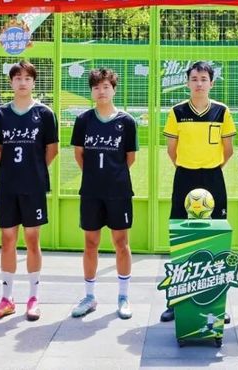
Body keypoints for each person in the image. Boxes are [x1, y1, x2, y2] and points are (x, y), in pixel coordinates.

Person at [160, 60, 236, 323]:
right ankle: (177, 300)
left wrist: (210, 169)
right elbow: (172, 150)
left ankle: (215, 301)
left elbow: (228, 150)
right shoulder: (177, 112)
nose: (199, 84)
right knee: (182, 235)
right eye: (194, 79)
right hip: (185, 177)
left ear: (212, 83)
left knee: (215, 236)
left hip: (213, 177)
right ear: (187, 83)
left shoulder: (222, 111)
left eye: (204, 79)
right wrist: (189, 168)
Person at [0, 61, 59, 322]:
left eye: (27, 78)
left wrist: (33, 168)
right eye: (18, 78)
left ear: (34, 82)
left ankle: (33, 297)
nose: (23, 82)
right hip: (7, 185)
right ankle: (7, 299)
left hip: (33, 185)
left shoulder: (45, 113)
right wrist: (14, 169)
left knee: (32, 239)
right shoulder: (1, 114)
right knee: (7, 238)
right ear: (11, 82)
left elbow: (52, 150)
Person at [69, 68, 139, 320]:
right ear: (91, 91)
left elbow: (129, 158)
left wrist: (112, 176)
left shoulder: (126, 121)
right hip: (91, 191)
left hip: (118, 192)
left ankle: (123, 297)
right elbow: (79, 154)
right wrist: (95, 176)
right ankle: (89, 296)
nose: (101, 91)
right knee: (91, 243)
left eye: (106, 86)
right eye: (96, 87)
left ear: (114, 90)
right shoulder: (83, 120)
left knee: (121, 243)